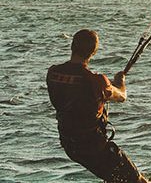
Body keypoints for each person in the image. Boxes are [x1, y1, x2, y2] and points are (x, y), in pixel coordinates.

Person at [46, 29, 144, 182]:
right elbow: (121, 96)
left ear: (72, 46)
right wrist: (120, 82)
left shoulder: (52, 73)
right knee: (137, 180)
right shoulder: (98, 82)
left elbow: (78, 90)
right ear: (94, 52)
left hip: (69, 146)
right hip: (93, 147)